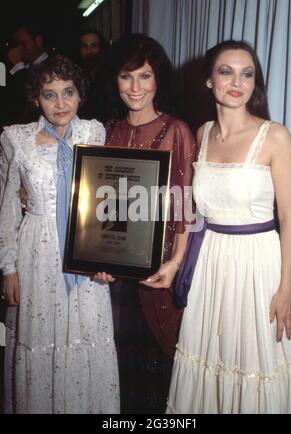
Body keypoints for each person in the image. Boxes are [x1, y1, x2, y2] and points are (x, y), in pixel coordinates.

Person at [166, 40, 291, 414]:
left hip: (258, 265)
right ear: (209, 80)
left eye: (247, 73)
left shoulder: (275, 136)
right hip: (211, 265)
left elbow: (290, 220)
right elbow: (190, 208)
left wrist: (286, 288)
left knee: (258, 363)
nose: (236, 82)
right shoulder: (203, 132)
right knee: (212, 360)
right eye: (226, 72)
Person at [0, 55, 120, 414]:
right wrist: (7, 267)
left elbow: (106, 199)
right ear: (36, 98)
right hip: (36, 254)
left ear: (80, 95)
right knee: (39, 342)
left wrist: (106, 256)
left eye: (68, 92)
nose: (60, 103)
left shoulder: (94, 132)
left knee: (87, 338)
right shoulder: (15, 139)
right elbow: (5, 208)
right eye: (49, 95)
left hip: (84, 251)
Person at [96, 33, 196, 413]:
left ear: (158, 80)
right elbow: (94, 207)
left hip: (159, 276)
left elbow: (186, 209)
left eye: (145, 76)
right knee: (118, 375)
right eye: (126, 76)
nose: (136, 87)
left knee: (159, 377)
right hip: (114, 279)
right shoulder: (106, 131)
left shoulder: (177, 131)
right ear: (115, 80)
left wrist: (174, 264)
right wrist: (95, 261)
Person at [0, 24, 48, 129]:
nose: (20, 49)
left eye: (24, 43)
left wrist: (18, 65)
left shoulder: (51, 66)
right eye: (17, 45)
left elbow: (26, 100)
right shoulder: (18, 68)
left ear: (38, 41)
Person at [77, 28, 110, 123]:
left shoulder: (111, 77)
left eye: (94, 46)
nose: (89, 51)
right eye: (84, 46)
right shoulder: (76, 77)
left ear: (101, 48)